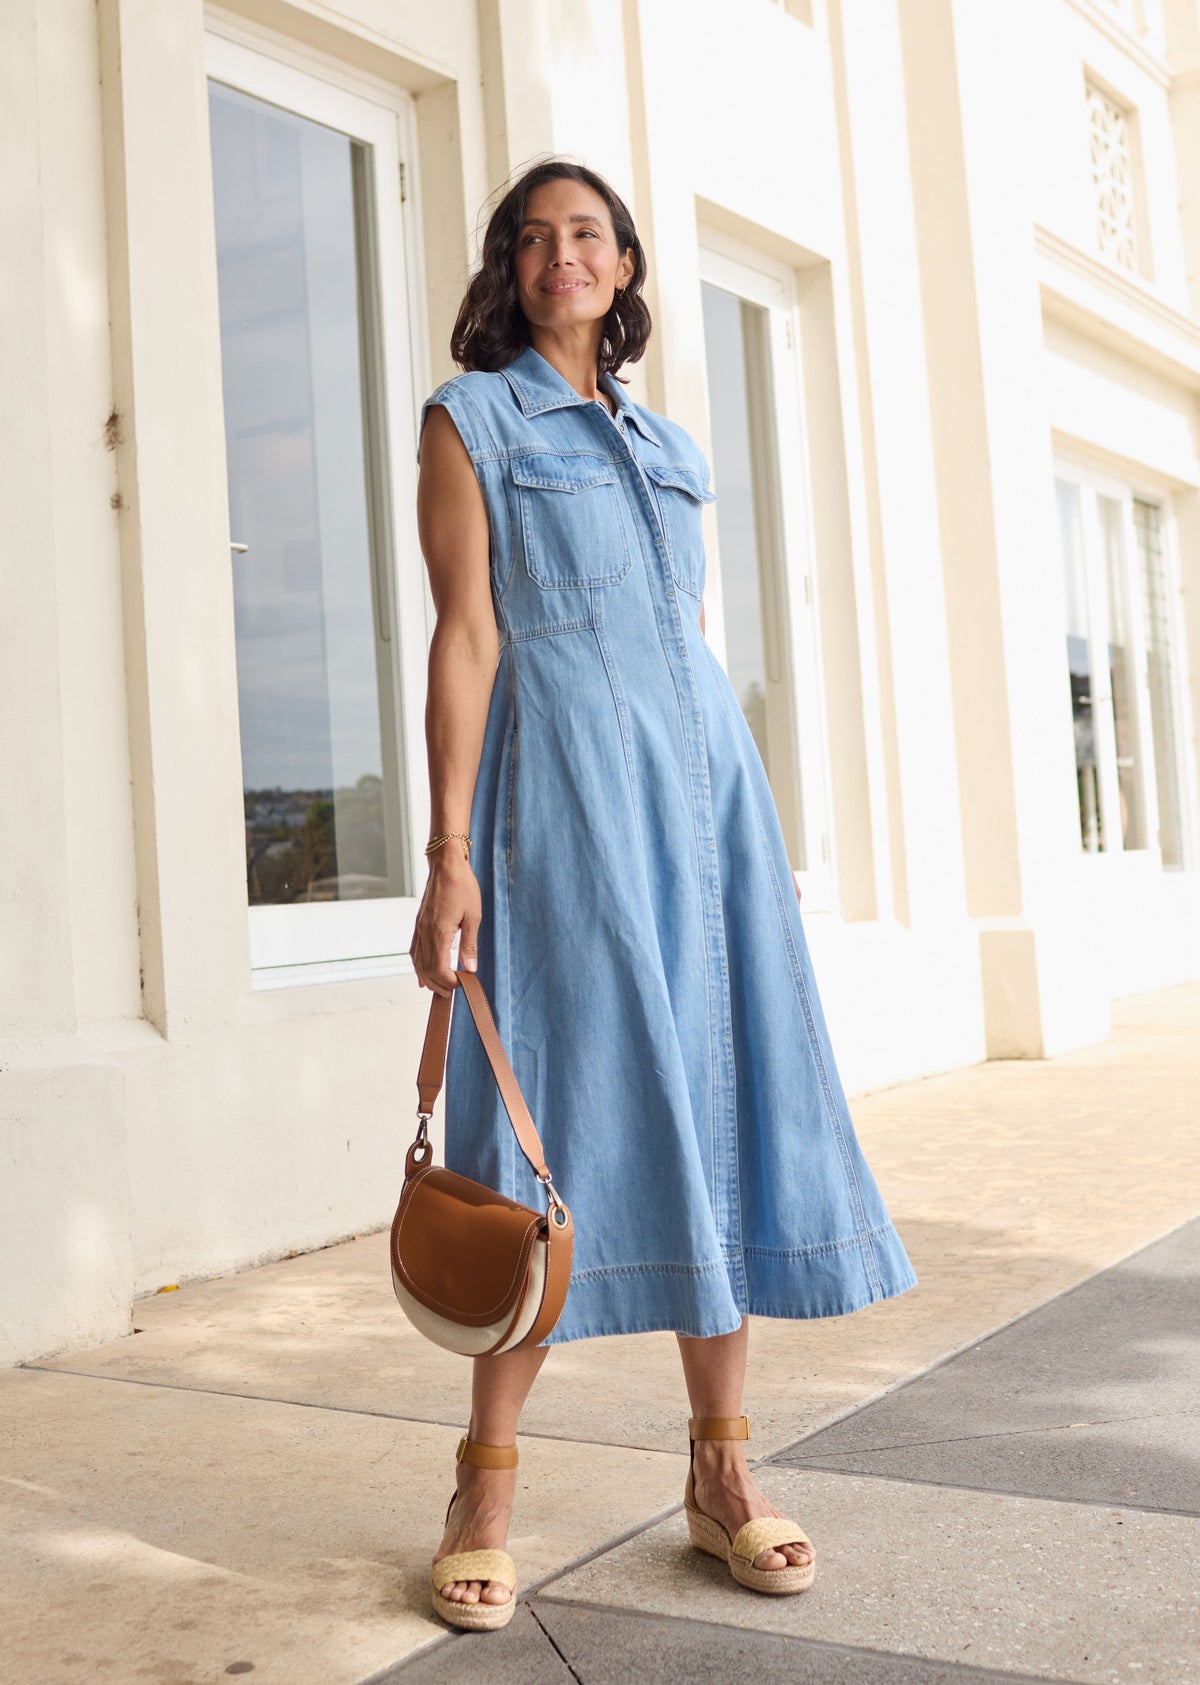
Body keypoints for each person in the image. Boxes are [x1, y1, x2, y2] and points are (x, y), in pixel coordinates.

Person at [408, 158, 917, 1632]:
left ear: (625, 267)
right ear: (509, 268)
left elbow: (679, 639)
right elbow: (464, 639)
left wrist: (733, 817)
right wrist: (448, 856)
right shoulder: (473, 420)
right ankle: (484, 1485)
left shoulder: (670, 441)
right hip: (560, 805)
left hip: (708, 807)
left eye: (589, 235)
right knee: (541, 1124)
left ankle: (722, 1473)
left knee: (720, 1098)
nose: (562, 255)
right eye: (534, 237)